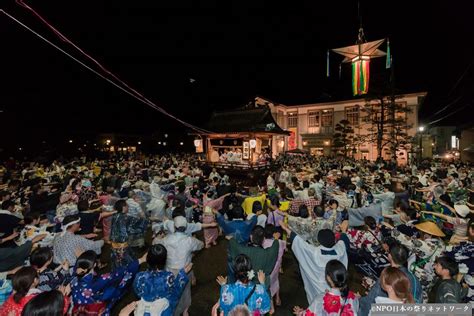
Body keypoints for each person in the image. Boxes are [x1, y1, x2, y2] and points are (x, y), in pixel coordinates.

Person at [281, 222, 348, 303]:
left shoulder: (314, 252)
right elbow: (343, 240)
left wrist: (286, 228)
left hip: (317, 289)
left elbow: (298, 242)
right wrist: (343, 230)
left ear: (319, 240)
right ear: (334, 240)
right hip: (336, 288)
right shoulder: (340, 250)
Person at [71, 249, 146, 315]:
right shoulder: (100, 280)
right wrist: (141, 260)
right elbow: (120, 272)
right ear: (94, 265)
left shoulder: (75, 276)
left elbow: (77, 269)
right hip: (94, 307)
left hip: (80, 307)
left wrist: (82, 259)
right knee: (115, 287)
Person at [156, 216, 204, 316]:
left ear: (174, 226)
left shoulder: (167, 239)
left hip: (169, 269)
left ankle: (170, 310)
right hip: (184, 270)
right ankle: (185, 311)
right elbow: (201, 245)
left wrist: (157, 238)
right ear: (186, 227)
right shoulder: (189, 240)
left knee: (170, 290)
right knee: (185, 291)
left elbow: (156, 243)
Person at [358, 244, 422, 316]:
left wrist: (358, 301)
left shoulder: (387, 278)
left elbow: (369, 303)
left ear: (390, 256)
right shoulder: (415, 279)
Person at [133, 244, 192, 316]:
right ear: (164, 261)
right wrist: (182, 274)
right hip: (162, 311)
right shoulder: (168, 277)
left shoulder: (139, 277)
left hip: (143, 311)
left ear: (148, 259)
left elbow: (137, 292)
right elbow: (175, 293)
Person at [293, 260, 359, 316]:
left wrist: (300, 313)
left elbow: (310, 314)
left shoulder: (321, 299)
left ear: (328, 278)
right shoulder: (352, 296)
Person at [262, 224, 286, 307]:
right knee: (276, 280)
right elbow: (284, 248)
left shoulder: (263, 242)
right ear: (274, 233)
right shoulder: (280, 242)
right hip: (277, 267)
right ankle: (278, 298)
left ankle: (271, 304)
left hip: (267, 268)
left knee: (268, 285)